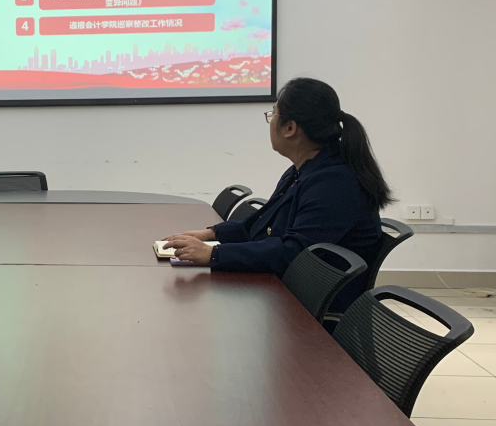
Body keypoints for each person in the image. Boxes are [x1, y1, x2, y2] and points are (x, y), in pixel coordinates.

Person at [162, 77, 391, 313]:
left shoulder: (335, 183)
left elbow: (294, 253)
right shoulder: (303, 171)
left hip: (310, 312)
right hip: (288, 292)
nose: (270, 122)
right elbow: (262, 224)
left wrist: (214, 253)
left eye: (273, 115)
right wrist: (211, 234)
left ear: (290, 128)